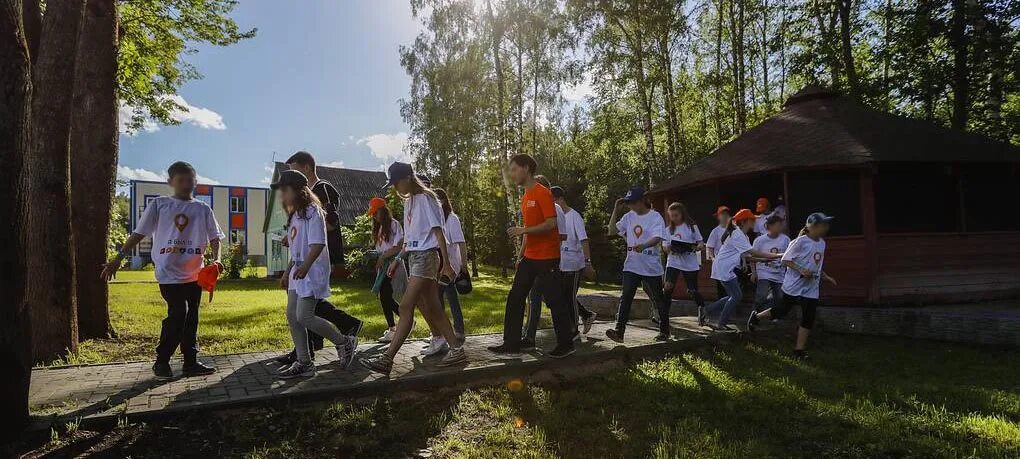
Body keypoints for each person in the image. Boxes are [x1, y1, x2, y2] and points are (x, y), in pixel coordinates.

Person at [102, 161, 223, 379]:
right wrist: (118, 257)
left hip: (196, 274)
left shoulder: (203, 209)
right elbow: (139, 233)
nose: (187, 184)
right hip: (169, 273)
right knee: (178, 314)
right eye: (181, 180)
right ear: (171, 182)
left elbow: (215, 238)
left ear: (195, 181)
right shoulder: (160, 205)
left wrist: (217, 260)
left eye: (190, 180)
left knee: (191, 317)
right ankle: (162, 361)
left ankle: (190, 362)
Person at [360, 162, 467, 373]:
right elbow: (409, 240)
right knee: (432, 306)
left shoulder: (427, 198)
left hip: (427, 257)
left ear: (408, 177)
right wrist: (398, 259)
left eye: (397, 182)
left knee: (405, 306)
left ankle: (387, 359)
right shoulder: (409, 201)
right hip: (414, 257)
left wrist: (446, 263)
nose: (395, 188)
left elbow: (439, 233)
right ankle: (456, 349)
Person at [275, 151, 362, 365]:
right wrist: (288, 272)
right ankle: (304, 361)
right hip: (299, 271)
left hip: (312, 271)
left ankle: (343, 342)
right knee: (293, 316)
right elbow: (297, 250)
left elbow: (318, 243)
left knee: (304, 316)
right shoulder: (295, 214)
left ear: (295, 190)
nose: (281, 196)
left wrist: (304, 267)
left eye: (283, 191)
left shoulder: (314, 211)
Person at [487, 154, 576, 359]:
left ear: (526, 168)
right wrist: (522, 248)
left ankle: (566, 344)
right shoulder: (526, 196)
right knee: (515, 297)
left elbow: (551, 224)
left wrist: (523, 230)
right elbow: (532, 228)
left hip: (547, 257)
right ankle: (511, 344)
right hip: (530, 257)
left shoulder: (542, 193)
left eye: (515, 169)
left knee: (555, 301)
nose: (512, 174)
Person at [748, 213, 837, 359]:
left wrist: (826, 276)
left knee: (808, 317)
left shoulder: (822, 243)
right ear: (813, 227)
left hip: (811, 287)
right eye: (823, 224)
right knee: (782, 311)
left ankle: (799, 351)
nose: (826, 227)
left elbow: (817, 264)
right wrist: (801, 269)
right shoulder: (800, 242)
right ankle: (757, 317)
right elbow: (785, 260)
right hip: (793, 286)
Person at [605, 186, 671, 342]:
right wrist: (615, 210)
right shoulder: (628, 216)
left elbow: (658, 237)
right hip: (632, 266)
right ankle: (619, 332)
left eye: (633, 202)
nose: (630, 206)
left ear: (642, 201)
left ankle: (664, 331)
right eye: (628, 203)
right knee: (626, 297)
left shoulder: (655, 217)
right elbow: (612, 231)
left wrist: (644, 246)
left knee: (658, 299)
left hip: (651, 267)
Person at [702, 208, 782, 330]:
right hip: (724, 268)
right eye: (752, 220)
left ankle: (706, 311)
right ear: (744, 221)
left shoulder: (742, 235)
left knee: (734, 295)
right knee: (736, 296)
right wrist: (776, 255)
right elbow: (752, 252)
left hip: (724, 267)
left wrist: (764, 260)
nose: (754, 222)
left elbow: (748, 257)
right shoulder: (737, 234)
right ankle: (720, 322)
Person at [425, 188, 466, 354]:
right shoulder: (437, 218)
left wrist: (464, 265)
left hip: (451, 264)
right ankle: (455, 331)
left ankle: (443, 333)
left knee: (437, 297)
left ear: (443, 201)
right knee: (450, 297)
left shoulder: (452, 219)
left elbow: (461, 242)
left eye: (437, 200)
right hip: (439, 264)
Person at [661, 202, 707, 324]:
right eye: (671, 216)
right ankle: (663, 315)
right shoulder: (668, 230)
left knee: (692, 290)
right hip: (673, 261)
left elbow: (701, 243)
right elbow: (664, 247)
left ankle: (702, 308)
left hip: (689, 262)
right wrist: (670, 248)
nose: (674, 218)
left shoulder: (691, 227)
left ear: (682, 214)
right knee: (667, 287)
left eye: (676, 215)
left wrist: (696, 247)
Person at [368, 197, 403, 343]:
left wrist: (383, 257)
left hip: (392, 264)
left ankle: (396, 326)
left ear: (383, 211)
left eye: (376, 213)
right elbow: (380, 249)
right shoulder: (379, 228)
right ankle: (396, 325)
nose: (374, 216)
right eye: (373, 214)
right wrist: (375, 256)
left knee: (385, 296)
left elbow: (398, 246)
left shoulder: (394, 225)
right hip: (383, 266)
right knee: (384, 297)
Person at [750, 215, 790, 313]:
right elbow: (751, 257)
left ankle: (770, 314)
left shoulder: (785, 239)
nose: (780, 227)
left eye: (781, 225)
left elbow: (789, 256)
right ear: (770, 226)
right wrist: (754, 272)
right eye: (778, 225)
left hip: (779, 272)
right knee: (761, 294)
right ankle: (754, 313)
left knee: (779, 296)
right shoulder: (759, 240)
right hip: (764, 270)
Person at [705, 206, 732, 299]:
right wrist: (713, 259)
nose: (724, 216)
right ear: (718, 217)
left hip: (733, 263)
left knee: (734, 290)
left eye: (726, 214)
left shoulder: (735, 229)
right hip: (721, 264)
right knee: (722, 290)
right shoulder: (715, 231)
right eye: (722, 215)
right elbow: (709, 247)